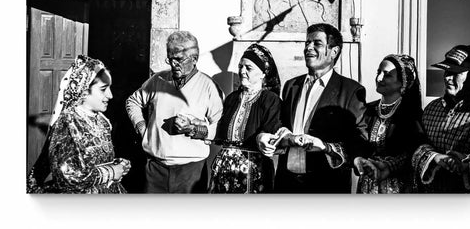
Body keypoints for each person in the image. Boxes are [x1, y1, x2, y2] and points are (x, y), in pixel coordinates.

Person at [259, 23, 368, 193]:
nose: (308, 47)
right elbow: (279, 124)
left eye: (316, 43)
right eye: (307, 43)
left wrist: (324, 146)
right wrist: (272, 136)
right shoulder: (291, 86)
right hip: (286, 183)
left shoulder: (351, 90)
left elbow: (358, 142)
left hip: (326, 186)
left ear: (334, 51)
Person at [126, 31, 223, 193]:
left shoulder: (208, 86)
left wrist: (193, 129)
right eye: (170, 59)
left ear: (194, 59)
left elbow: (219, 126)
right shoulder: (158, 80)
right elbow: (133, 101)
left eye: (178, 59)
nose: (172, 64)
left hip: (191, 172)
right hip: (156, 168)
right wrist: (142, 128)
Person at [27, 55, 131, 194]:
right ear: (84, 91)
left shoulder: (102, 121)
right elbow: (68, 176)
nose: (110, 95)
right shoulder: (67, 123)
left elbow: (93, 161)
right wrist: (111, 171)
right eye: (103, 89)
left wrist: (117, 165)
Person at [209, 43, 282, 193]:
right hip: (224, 171)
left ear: (263, 73)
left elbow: (271, 132)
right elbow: (219, 130)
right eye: (240, 66)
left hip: (252, 172)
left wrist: (263, 138)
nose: (242, 71)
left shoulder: (270, 100)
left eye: (248, 68)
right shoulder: (232, 98)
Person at [353, 54, 425, 193]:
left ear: (403, 81)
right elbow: (357, 141)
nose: (379, 78)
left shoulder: (412, 114)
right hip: (368, 185)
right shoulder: (368, 110)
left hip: (399, 187)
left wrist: (389, 166)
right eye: (378, 72)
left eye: (387, 75)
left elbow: (414, 150)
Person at [412, 45, 470, 193]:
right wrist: (434, 157)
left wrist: (466, 165)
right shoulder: (431, 109)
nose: (447, 77)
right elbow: (415, 144)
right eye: (447, 71)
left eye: (456, 72)